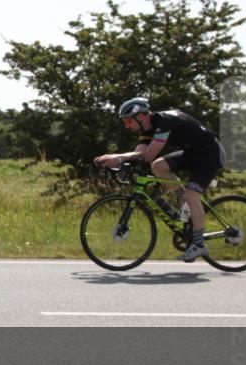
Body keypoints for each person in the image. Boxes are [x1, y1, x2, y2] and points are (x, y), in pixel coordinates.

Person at [94, 97, 225, 262]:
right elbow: (140, 156)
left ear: (140, 116)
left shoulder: (164, 122)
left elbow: (148, 155)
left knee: (193, 196)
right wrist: (120, 163)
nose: (127, 126)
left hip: (210, 154)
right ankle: (186, 202)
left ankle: (199, 244)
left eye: (128, 121)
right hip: (193, 153)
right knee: (158, 167)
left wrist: (118, 158)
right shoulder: (147, 129)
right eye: (125, 123)